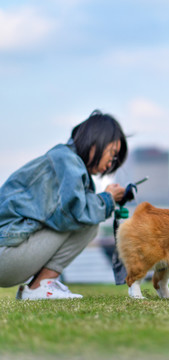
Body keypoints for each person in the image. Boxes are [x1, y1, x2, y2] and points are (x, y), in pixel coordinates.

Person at [0, 110, 128, 300]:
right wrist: (107, 198)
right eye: (112, 153)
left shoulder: (63, 160)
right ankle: (41, 286)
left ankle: (41, 286)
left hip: (8, 250)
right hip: (5, 254)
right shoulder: (67, 161)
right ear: (96, 141)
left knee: (91, 213)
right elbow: (75, 212)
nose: (111, 163)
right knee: (89, 221)